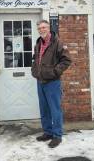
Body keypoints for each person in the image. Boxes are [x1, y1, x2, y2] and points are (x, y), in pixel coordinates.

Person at [31, 19, 71, 148]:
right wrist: (34, 71)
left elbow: (66, 60)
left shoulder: (57, 43)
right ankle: (47, 132)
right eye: (39, 28)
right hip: (40, 81)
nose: (42, 30)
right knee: (44, 109)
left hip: (52, 82)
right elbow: (35, 59)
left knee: (55, 109)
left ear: (49, 28)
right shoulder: (38, 43)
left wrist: (54, 72)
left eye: (44, 27)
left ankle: (57, 135)